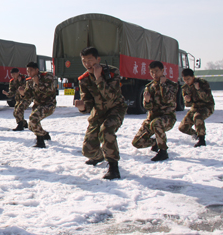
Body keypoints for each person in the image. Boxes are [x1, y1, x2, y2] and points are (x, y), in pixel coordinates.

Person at [74, 47, 127, 180]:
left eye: (90, 60)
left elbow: (111, 97)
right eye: (84, 61)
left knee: (107, 130)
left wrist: (98, 77)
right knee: (88, 150)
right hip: (98, 112)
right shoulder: (84, 79)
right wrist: (82, 107)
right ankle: (99, 157)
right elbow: (88, 104)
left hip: (116, 108)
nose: (87, 64)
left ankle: (113, 167)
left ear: (98, 60)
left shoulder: (112, 72)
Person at [132, 61, 178, 161]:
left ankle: (163, 151)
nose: (154, 74)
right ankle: (156, 142)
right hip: (152, 118)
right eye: (152, 72)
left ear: (162, 71)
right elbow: (147, 107)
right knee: (137, 143)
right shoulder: (149, 87)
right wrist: (147, 101)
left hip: (167, 118)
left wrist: (162, 85)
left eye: (156, 71)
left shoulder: (172, 85)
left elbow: (168, 99)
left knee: (156, 123)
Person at [18, 62, 56, 148]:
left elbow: (50, 91)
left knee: (33, 118)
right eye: (28, 71)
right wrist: (23, 93)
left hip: (49, 105)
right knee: (31, 126)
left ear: (37, 70)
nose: (29, 73)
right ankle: (45, 134)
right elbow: (29, 96)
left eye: (31, 70)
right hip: (38, 106)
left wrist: (38, 83)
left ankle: (40, 142)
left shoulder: (47, 77)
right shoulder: (29, 81)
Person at [178, 68, 215, 147]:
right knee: (182, 127)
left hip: (207, 106)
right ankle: (196, 134)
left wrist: (198, 89)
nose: (187, 81)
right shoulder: (185, 87)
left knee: (197, 117)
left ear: (193, 77)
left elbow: (207, 98)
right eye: (185, 79)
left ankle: (202, 140)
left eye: (188, 79)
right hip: (195, 108)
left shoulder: (202, 83)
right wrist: (188, 100)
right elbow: (188, 105)